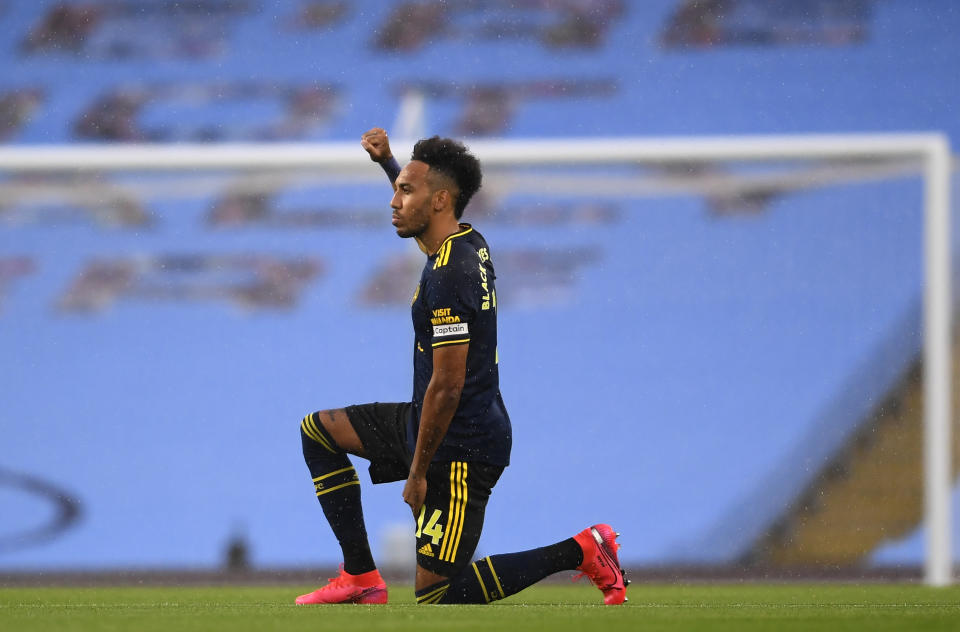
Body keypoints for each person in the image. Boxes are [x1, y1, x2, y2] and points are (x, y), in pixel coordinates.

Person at [295, 128, 628, 606]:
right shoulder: (463, 242)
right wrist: (390, 164)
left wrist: (417, 472)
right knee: (319, 432)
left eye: (405, 192)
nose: (394, 201)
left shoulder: (451, 272)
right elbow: (426, 221)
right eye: (396, 189)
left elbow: (448, 386)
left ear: (440, 201)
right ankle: (360, 576)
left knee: (439, 596)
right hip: (428, 420)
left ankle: (582, 550)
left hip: (461, 442)